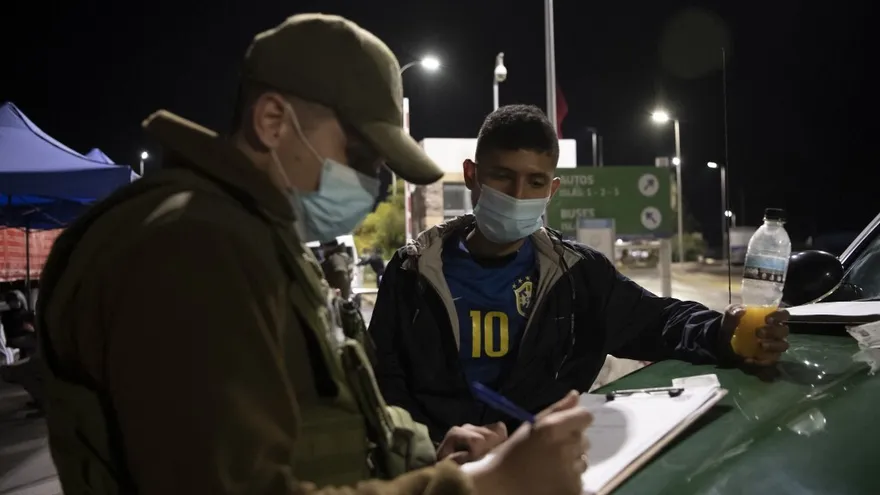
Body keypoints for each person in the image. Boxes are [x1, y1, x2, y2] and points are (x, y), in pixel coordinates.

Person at [36, 15, 593, 495]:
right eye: (359, 154)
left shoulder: (249, 238)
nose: (370, 183)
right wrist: (479, 487)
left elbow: (318, 430)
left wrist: (426, 459)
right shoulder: (191, 247)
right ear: (273, 122)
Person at [369, 104, 790, 440]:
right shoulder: (412, 274)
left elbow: (661, 320)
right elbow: (382, 386)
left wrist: (722, 332)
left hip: (545, 472)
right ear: (471, 176)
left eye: (535, 181)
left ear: (551, 191)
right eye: (502, 176)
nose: (519, 195)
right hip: (443, 478)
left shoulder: (579, 277)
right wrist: (426, 456)